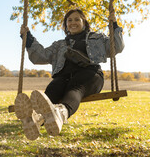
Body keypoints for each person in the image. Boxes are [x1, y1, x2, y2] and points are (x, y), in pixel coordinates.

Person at [14, 8, 124, 140]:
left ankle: (60, 113)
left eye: (77, 19)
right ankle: (37, 119)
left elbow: (117, 47)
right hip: (64, 77)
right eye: (69, 20)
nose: (73, 22)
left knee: (75, 87)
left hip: (90, 75)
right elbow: (40, 56)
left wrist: (114, 25)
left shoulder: (97, 38)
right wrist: (28, 38)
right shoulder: (59, 45)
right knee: (53, 87)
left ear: (84, 22)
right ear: (66, 25)